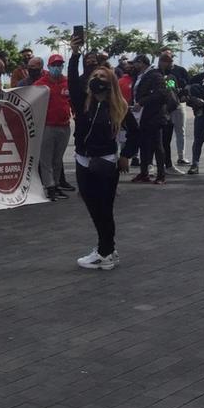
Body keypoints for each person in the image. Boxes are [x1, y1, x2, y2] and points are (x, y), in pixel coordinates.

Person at [68, 36, 129, 270]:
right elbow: (72, 81)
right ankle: (107, 249)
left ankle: (105, 251)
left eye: (103, 76)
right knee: (93, 206)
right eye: (95, 76)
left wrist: (126, 155)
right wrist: (74, 55)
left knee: (105, 208)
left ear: (111, 81)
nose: (97, 79)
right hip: (83, 160)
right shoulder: (84, 102)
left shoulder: (119, 106)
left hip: (105, 162)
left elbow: (133, 132)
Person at [36, 54, 73, 201]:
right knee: (46, 159)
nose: (57, 67)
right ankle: (49, 187)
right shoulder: (41, 84)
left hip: (64, 126)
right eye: (54, 65)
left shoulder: (67, 82)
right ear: (49, 67)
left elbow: (72, 101)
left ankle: (56, 185)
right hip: (47, 126)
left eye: (60, 65)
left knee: (58, 159)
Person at [128, 54, 167, 184]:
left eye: (135, 63)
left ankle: (161, 175)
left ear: (142, 63)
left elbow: (161, 94)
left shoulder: (155, 75)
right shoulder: (139, 76)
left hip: (153, 115)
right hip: (141, 117)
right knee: (144, 145)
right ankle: (144, 173)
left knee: (157, 146)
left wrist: (142, 102)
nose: (133, 66)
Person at [159, 50, 189, 167]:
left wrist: (182, 94)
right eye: (164, 58)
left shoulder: (179, 71)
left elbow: (186, 84)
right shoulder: (157, 73)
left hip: (177, 104)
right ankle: (163, 161)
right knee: (165, 135)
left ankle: (181, 156)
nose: (167, 61)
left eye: (169, 58)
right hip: (164, 106)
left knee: (180, 130)